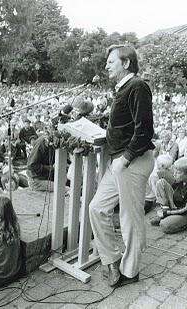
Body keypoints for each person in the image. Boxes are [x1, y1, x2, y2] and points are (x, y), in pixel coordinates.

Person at [89, 45, 155, 287]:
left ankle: (130, 271)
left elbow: (144, 130)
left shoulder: (137, 86)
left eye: (110, 61)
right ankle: (112, 259)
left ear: (126, 63)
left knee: (131, 220)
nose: (106, 65)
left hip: (131, 161)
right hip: (120, 162)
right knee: (97, 207)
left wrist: (125, 158)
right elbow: (123, 123)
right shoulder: (123, 88)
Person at [150, 157, 187, 233]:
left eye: (178, 172)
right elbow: (168, 189)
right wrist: (166, 210)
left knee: (165, 225)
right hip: (177, 206)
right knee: (161, 182)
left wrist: (168, 213)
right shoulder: (180, 181)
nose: (174, 174)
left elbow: (185, 210)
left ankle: (177, 221)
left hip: (184, 213)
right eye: (174, 171)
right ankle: (166, 214)